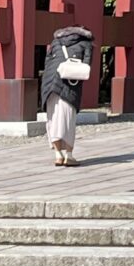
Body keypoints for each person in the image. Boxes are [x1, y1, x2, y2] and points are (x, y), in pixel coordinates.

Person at [41, 24, 94, 167]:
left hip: (50, 83)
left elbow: (48, 62)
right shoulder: (86, 43)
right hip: (71, 84)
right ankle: (69, 155)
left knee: (53, 117)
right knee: (67, 119)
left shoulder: (56, 41)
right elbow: (86, 66)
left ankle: (58, 154)